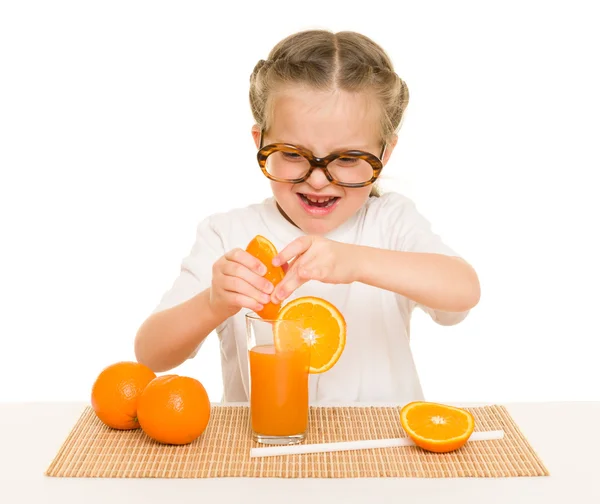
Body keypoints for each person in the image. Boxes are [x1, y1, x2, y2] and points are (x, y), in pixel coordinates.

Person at [134, 29, 480, 404]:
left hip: (383, 452)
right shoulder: (227, 233)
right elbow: (151, 353)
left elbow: (463, 291)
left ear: (386, 151)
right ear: (260, 143)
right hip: (261, 455)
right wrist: (213, 303)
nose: (317, 179)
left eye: (348, 158)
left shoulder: (390, 221)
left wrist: (358, 261)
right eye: (293, 153)